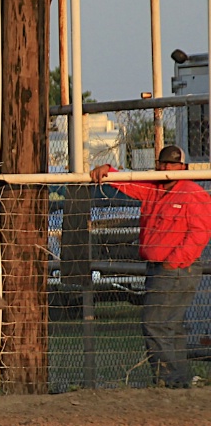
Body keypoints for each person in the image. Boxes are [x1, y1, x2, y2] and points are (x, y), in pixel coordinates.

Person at [90, 146, 211, 387]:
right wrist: (110, 172)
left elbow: (199, 234)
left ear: (183, 168)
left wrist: (174, 260)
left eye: (172, 164)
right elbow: (131, 184)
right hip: (163, 267)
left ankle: (169, 380)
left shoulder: (192, 193)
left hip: (175, 269)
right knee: (170, 326)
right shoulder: (153, 188)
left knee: (154, 323)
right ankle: (178, 382)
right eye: (163, 163)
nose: (166, 168)